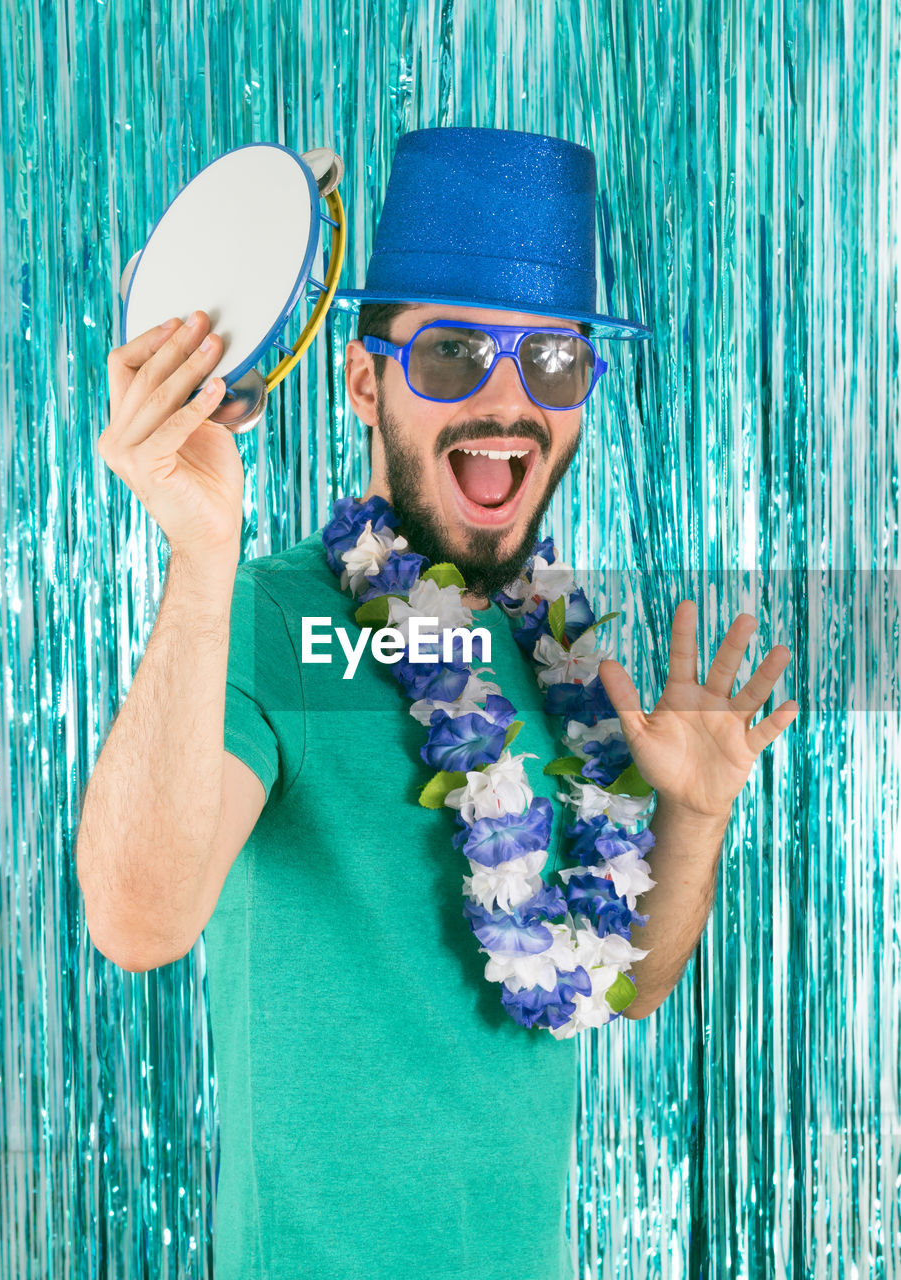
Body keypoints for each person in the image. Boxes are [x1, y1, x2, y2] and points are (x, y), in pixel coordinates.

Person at [76, 128, 797, 1280]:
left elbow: (619, 981)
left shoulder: (568, 660)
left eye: (552, 363)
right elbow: (135, 923)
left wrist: (694, 822)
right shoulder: (267, 616)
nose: (509, 402)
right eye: (454, 354)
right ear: (363, 380)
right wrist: (200, 549)